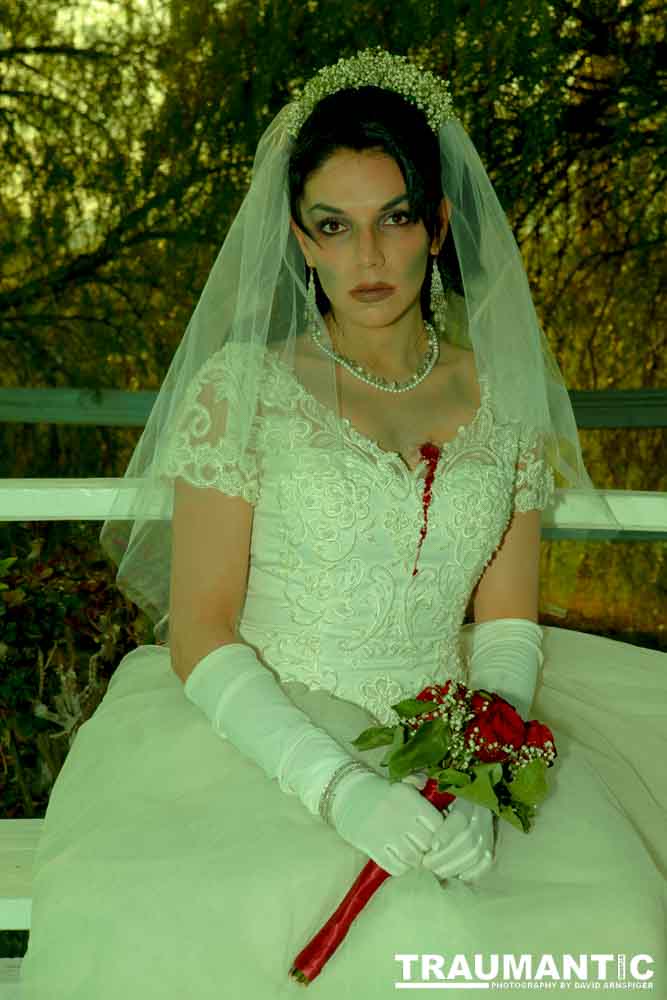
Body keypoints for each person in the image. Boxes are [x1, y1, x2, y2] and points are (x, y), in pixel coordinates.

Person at [20, 50, 666, 999]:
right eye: (334, 226)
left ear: (438, 225)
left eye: (394, 219)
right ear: (301, 239)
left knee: (599, 927)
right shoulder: (245, 389)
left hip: (446, 732)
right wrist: (339, 789)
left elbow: (510, 625)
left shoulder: (508, 402)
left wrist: (475, 784)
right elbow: (199, 628)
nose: (366, 258)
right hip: (261, 738)